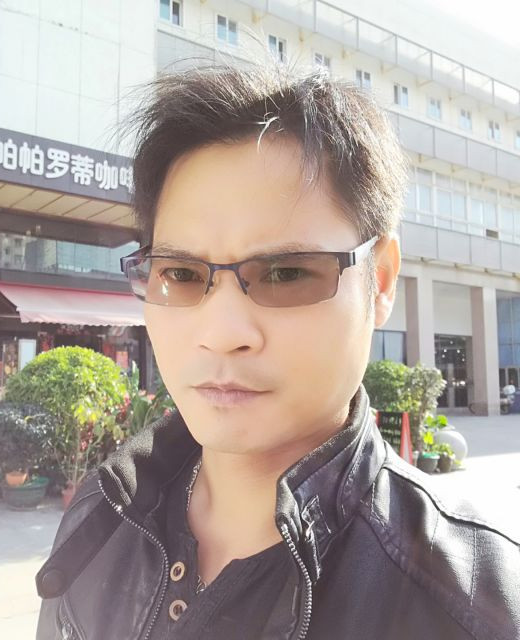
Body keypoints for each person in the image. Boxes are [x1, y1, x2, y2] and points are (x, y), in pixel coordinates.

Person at [35, 62, 519, 640]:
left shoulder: (473, 605)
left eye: (286, 273)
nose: (222, 332)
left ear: (382, 281)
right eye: (181, 274)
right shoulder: (105, 511)